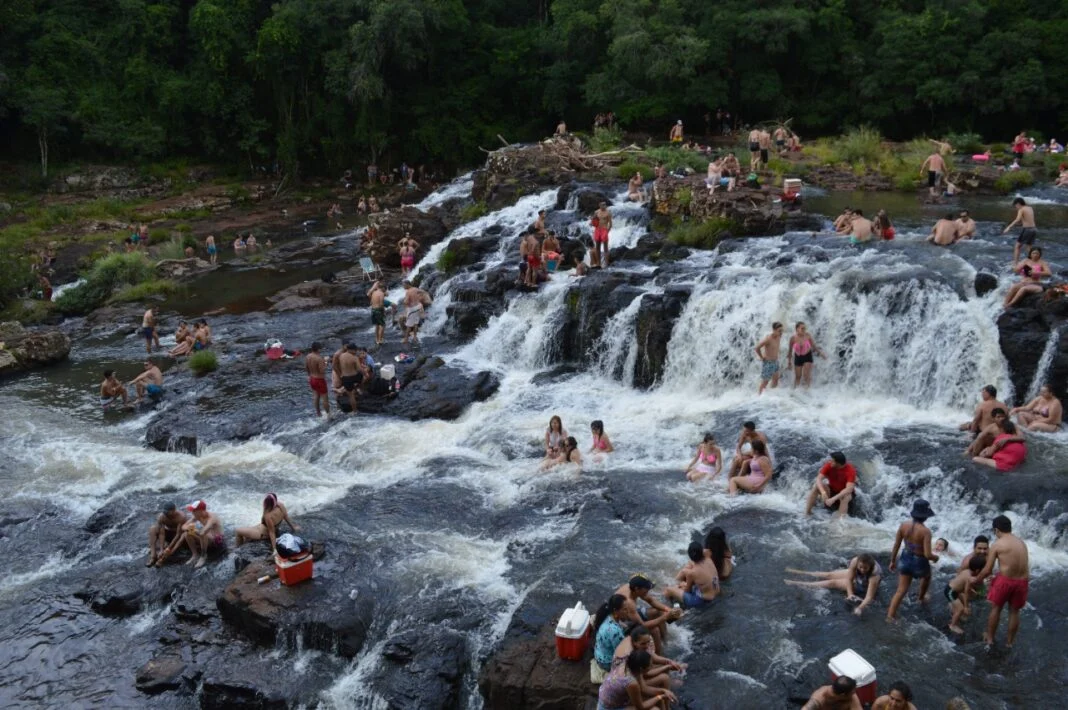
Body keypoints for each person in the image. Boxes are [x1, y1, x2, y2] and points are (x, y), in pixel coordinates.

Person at [973, 514, 1030, 647]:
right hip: (1022, 581)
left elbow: (988, 570)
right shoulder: (1021, 542)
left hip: (1005, 581)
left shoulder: (997, 544)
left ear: (996, 530)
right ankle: (1009, 643)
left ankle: (990, 639)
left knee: (996, 608)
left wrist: (977, 579)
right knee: (1014, 611)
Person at [886, 499, 939, 621]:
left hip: (905, 557)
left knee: (901, 590)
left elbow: (896, 545)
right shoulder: (925, 531)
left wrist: (892, 560)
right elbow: (927, 554)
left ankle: (890, 616)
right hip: (919, 561)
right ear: (926, 516)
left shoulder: (903, 525)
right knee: (927, 576)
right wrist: (936, 558)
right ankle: (920, 598)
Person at [784, 553, 883, 616]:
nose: (862, 569)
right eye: (860, 567)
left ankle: (797, 583)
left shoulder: (874, 575)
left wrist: (860, 608)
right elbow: (849, 579)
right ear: (858, 563)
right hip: (857, 578)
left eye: (865, 568)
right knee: (829, 574)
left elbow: (869, 596)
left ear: (870, 567)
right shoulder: (855, 561)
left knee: (832, 583)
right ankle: (798, 572)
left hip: (864, 585)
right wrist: (850, 595)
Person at [614, 574, 682, 655]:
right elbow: (642, 625)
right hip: (623, 623)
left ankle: (665, 639)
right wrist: (665, 617)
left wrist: (668, 609)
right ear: (637, 589)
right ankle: (659, 654)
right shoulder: (629, 602)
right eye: (646, 590)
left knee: (658, 612)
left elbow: (651, 601)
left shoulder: (632, 586)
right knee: (655, 630)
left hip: (632, 614)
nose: (647, 592)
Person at [611, 626, 683, 699]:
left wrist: (670, 662)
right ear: (634, 643)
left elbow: (654, 657)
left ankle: (668, 685)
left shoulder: (642, 641)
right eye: (643, 644)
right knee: (664, 678)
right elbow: (645, 676)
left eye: (648, 642)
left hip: (636, 674)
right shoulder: (630, 656)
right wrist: (663, 691)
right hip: (629, 683)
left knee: (665, 666)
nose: (647, 645)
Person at [597, 650, 671, 710]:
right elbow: (641, 707)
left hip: (611, 700)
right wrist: (660, 696)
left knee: (658, 700)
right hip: (609, 708)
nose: (652, 667)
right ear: (642, 669)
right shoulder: (631, 682)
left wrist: (663, 691)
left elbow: (644, 688)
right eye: (650, 665)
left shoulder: (628, 664)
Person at [664, 542, 720, 608]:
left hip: (702, 601)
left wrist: (683, 585)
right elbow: (704, 551)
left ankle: (668, 607)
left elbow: (688, 591)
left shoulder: (692, 573)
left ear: (690, 556)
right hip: (715, 592)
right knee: (685, 570)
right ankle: (675, 584)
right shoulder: (708, 557)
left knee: (668, 590)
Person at [173, 500, 225, 569]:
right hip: (207, 537)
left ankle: (203, 556)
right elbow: (184, 526)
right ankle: (195, 555)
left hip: (217, 541)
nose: (192, 512)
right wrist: (190, 529)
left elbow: (204, 531)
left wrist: (193, 530)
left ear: (201, 510)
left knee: (202, 533)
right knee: (187, 533)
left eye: (194, 510)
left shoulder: (212, 518)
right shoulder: (197, 516)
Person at [235, 493, 299, 548]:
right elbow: (286, 517)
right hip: (263, 528)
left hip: (262, 533)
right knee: (246, 536)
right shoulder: (280, 506)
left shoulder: (268, 516)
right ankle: (243, 544)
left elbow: (271, 532)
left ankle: (237, 549)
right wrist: (293, 528)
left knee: (238, 531)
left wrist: (274, 549)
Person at [804, 451, 857, 518]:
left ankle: (840, 523)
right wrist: (823, 492)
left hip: (844, 495)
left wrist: (833, 499)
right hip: (832, 490)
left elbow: (849, 489)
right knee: (816, 487)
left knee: (845, 497)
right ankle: (807, 513)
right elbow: (818, 479)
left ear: (838, 463)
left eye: (832, 461)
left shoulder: (850, 470)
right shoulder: (829, 465)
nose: (830, 461)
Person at [946, 554, 986, 634]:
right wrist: (966, 606)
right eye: (984, 569)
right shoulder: (970, 578)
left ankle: (953, 607)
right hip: (951, 592)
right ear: (978, 570)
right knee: (960, 609)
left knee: (960, 608)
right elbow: (966, 592)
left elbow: (963, 585)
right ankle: (952, 625)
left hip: (952, 589)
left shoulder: (967, 571)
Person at [146, 501, 188, 567]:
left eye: (168, 513)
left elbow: (178, 535)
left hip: (178, 536)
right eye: (165, 512)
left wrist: (168, 548)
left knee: (183, 535)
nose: (166, 514)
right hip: (168, 533)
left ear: (174, 510)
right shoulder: (161, 517)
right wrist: (162, 549)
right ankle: (153, 556)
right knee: (153, 528)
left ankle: (163, 559)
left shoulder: (181, 517)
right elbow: (161, 533)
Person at [789, 321, 826, 388]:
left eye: (805, 328)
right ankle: (794, 391)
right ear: (797, 329)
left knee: (806, 375)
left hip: (807, 356)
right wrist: (789, 362)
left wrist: (820, 353)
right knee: (798, 377)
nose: (804, 330)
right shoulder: (793, 338)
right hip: (798, 357)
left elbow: (814, 346)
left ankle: (807, 390)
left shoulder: (807, 335)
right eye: (802, 328)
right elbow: (790, 351)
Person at [1003, 197, 1037, 264]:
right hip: (1034, 229)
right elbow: (1026, 220)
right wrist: (1020, 224)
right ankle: (1034, 262)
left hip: (1027, 230)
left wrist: (1008, 227)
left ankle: (1015, 263)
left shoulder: (1021, 209)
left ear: (1018, 204)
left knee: (1017, 246)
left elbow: (1017, 219)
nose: (1016, 207)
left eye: (1015, 206)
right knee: (1028, 247)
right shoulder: (1030, 208)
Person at [755, 321, 784, 394]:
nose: (781, 332)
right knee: (765, 382)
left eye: (782, 330)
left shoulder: (778, 336)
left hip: (775, 362)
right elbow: (757, 348)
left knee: (775, 380)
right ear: (774, 330)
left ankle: (771, 397)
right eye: (779, 331)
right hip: (768, 363)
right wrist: (761, 357)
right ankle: (759, 398)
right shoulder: (768, 339)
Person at [402, 280, 432, 347]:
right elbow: (424, 292)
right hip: (418, 307)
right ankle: (415, 337)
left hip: (412, 308)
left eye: (404, 285)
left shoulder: (408, 292)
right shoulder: (416, 289)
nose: (403, 287)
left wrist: (405, 303)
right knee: (415, 323)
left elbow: (406, 301)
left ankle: (406, 339)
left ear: (407, 284)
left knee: (409, 325)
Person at [305, 342, 330, 417]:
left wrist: (309, 375)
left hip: (312, 378)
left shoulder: (308, 356)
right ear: (318, 349)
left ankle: (318, 413)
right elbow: (322, 370)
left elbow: (306, 367)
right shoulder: (319, 358)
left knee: (316, 396)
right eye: (320, 348)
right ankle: (329, 416)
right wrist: (326, 361)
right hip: (319, 380)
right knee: (325, 398)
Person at [368, 281, 392, 349]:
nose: (386, 290)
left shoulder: (374, 292)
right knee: (382, 325)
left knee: (377, 325)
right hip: (378, 310)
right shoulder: (381, 293)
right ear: (383, 288)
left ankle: (376, 339)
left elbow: (370, 299)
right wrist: (384, 311)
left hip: (373, 310)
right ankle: (380, 340)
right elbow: (381, 304)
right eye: (386, 289)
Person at [591, 202, 612, 268]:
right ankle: (598, 263)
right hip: (597, 230)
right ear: (599, 206)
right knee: (597, 247)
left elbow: (610, 224)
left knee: (605, 247)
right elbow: (593, 221)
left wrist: (607, 231)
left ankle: (606, 264)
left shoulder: (608, 213)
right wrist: (592, 220)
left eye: (605, 205)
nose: (604, 206)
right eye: (602, 205)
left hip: (604, 229)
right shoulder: (596, 212)